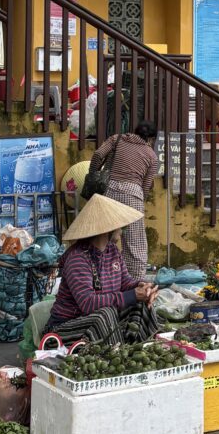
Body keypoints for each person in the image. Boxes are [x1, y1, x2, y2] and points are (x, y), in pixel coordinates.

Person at [45, 193, 160, 344]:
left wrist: (142, 287)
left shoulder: (112, 250)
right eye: (119, 226)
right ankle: (117, 358)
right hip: (63, 329)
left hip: (95, 322)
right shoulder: (77, 258)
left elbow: (125, 282)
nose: (121, 230)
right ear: (107, 229)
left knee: (140, 306)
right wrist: (132, 295)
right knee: (105, 314)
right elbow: (88, 303)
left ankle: (146, 351)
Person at [89, 120, 159, 281]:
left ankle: (98, 273)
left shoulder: (117, 139)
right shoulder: (151, 156)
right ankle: (134, 280)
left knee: (104, 236)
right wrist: (140, 200)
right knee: (135, 241)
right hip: (133, 194)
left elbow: (98, 154)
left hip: (110, 191)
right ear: (151, 139)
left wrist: (93, 173)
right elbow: (146, 186)